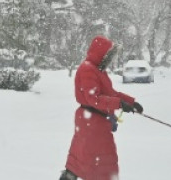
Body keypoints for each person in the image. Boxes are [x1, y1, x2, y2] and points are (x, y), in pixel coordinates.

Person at [59, 36, 143, 180]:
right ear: (101, 53)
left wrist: (130, 102)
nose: (110, 60)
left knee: (86, 159)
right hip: (91, 122)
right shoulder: (87, 69)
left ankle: (69, 176)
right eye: (108, 56)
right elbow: (94, 98)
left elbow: (111, 93)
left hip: (94, 122)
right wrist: (118, 104)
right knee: (99, 163)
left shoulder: (97, 71)